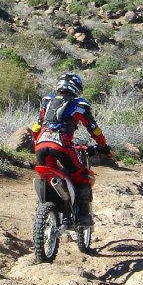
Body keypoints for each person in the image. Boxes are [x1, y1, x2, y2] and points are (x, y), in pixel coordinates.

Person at [31, 73, 111, 227]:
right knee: (81, 176)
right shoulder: (79, 105)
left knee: (48, 175)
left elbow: (36, 127)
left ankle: (48, 208)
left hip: (40, 145)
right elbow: (94, 129)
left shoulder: (47, 102)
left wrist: (38, 140)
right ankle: (82, 218)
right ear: (77, 88)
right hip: (62, 146)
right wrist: (103, 145)